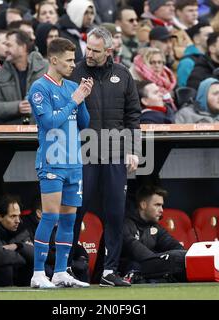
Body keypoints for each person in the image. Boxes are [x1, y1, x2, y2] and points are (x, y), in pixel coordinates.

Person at [70, 27, 141, 287]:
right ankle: (66, 267)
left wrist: (133, 150)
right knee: (75, 211)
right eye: (88, 48)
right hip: (84, 154)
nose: (89, 54)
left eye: (95, 51)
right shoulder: (75, 72)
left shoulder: (123, 74)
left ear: (108, 51)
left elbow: (133, 115)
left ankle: (109, 271)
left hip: (114, 153)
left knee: (115, 213)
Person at [27, 37, 91, 288]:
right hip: (52, 161)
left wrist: (82, 98)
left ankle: (62, 272)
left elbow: (84, 123)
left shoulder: (72, 87)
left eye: (73, 59)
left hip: (74, 162)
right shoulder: (39, 88)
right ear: (53, 60)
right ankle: (38, 274)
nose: (73, 65)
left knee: (69, 220)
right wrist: (74, 100)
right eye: (68, 60)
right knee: (50, 216)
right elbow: (50, 123)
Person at [120, 185, 187, 283]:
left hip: (142, 273)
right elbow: (145, 257)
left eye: (162, 205)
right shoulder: (123, 225)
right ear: (143, 205)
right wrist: (168, 259)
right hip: (113, 280)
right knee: (135, 266)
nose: (161, 210)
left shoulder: (155, 228)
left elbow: (175, 246)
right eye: (157, 205)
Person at [22, 196, 90, 283]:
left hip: (55, 262)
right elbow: (36, 252)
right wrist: (71, 263)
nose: (59, 214)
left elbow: (73, 246)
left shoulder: (56, 226)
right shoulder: (26, 227)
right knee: (49, 269)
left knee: (81, 266)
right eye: (54, 211)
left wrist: (81, 257)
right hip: (39, 265)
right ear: (39, 213)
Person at [0, 29, 48, 124]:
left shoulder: (46, 69)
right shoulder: (0, 75)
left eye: (9, 45)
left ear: (23, 48)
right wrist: (17, 107)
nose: (6, 50)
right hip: (15, 135)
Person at [177, 21, 213, 87]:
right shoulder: (187, 62)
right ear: (196, 39)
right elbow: (183, 90)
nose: (213, 38)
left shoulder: (212, 58)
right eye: (208, 35)